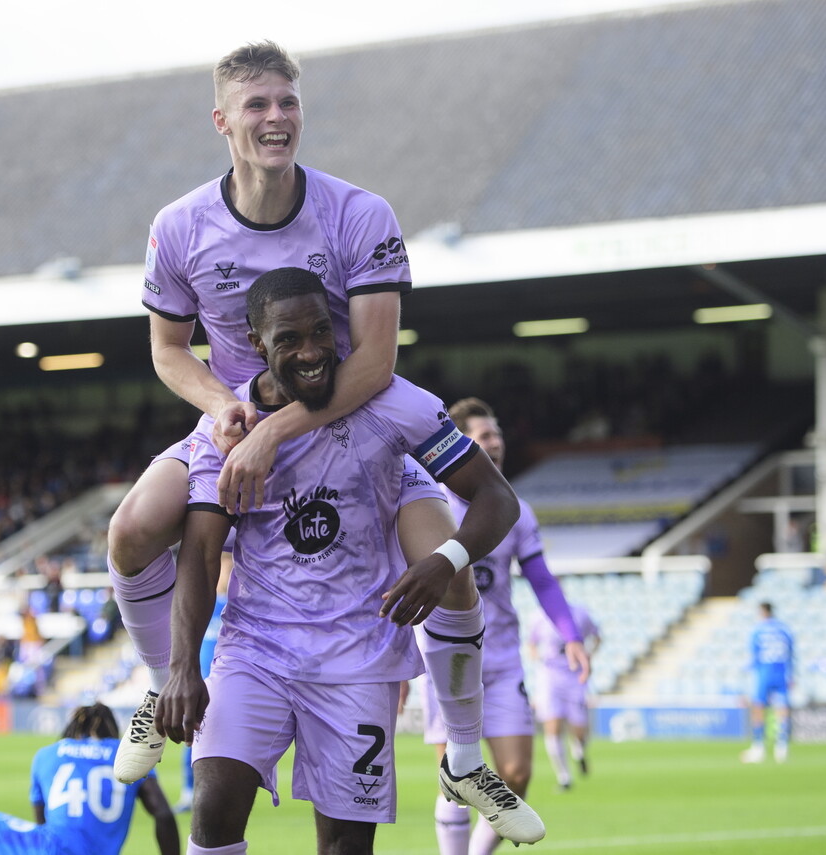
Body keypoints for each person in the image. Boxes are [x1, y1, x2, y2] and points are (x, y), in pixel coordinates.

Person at [109, 41, 497, 818]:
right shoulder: (180, 226)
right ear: (222, 120)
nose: (276, 117)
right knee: (131, 529)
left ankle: (462, 757)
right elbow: (165, 350)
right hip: (240, 419)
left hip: (358, 425)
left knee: (446, 561)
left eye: (287, 101)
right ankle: (163, 680)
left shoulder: (359, 213)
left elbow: (377, 363)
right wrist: (225, 410)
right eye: (257, 104)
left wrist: (273, 432)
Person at [154, 269, 545, 853]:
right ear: (257, 344)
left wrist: (443, 560)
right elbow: (201, 551)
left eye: (321, 332)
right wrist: (182, 666)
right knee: (213, 812)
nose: (311, 352)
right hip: (256, 651)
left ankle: (463, 758)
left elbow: (497, 498)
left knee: (345, 845)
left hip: (358, 662)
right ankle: (148, 686)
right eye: (289, 340)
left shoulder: (396, 403)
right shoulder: (228, 432)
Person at [421, 397, 591, 855]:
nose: (495, 442)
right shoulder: (430, 506)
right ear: (459, 446)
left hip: (500, 657)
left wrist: (571, 636)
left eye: (497, 433)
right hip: (448, 659)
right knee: (455, 777)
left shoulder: (514, 508)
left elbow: (541, 579)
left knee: (515, 775)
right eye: (484, 435)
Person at [0, 702, 179, 855]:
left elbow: (42, 823)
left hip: (50, 848)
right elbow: (164, 814)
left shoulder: (49, 753)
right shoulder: (123, 755)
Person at [174, 549, 232, 813]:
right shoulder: (203, 604)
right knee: (193, 739)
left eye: (230, 568)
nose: (226, 574)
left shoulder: (237, 606)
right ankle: (190, 791)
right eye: (223, 566)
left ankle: (225, 794)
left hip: (229, 684)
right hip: (201, 684)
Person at [527, 601, 601, 791]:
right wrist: (538, 659)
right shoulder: (538, 617)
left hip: (574, 675)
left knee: (579, 728)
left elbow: (597, 637)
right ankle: (564, 778)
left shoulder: (580, 613)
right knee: (552, 725)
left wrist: (588, 656)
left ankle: (579, 751)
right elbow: (531, 644)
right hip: (550, 676)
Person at [741, 601, 794, 764]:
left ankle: (758, 747)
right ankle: (782, 746)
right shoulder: (785, 630)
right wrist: (791, 675)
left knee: (758, 707)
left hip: (764, 672)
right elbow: (791, 654)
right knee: (782, 708)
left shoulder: (758, 630)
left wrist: (745, 671)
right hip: (782, 672)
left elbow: (754, 655)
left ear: (763, 612)